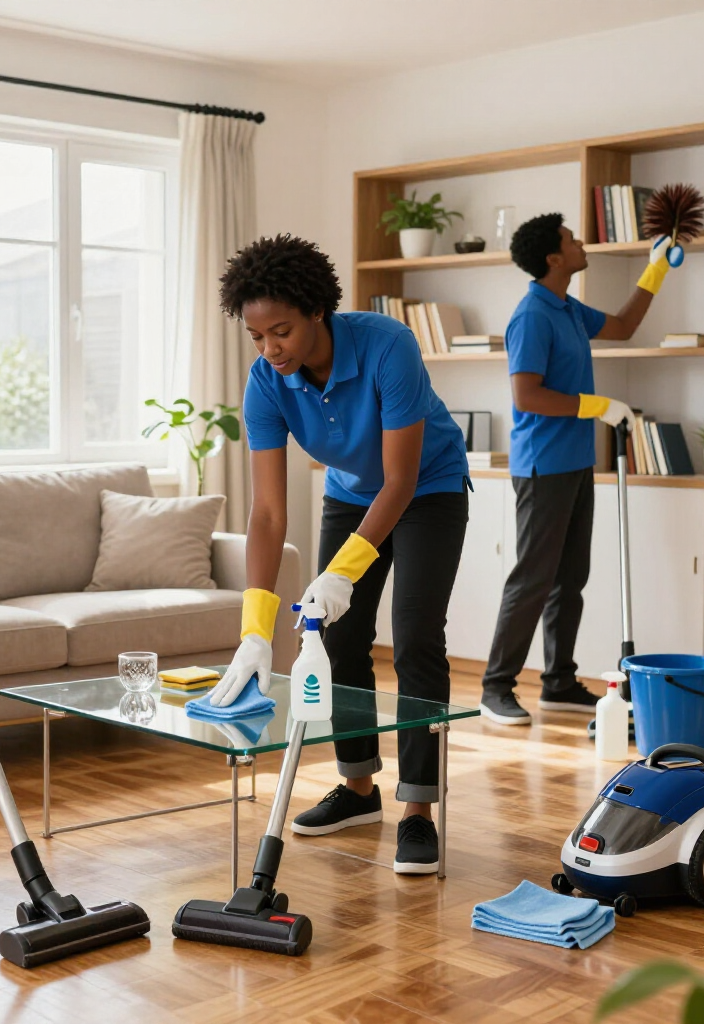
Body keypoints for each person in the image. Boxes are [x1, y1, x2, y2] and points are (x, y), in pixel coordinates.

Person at [209, 234, 470, 873]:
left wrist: (341, 572)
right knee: (337, 641)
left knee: (414, 637)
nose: (271, 350)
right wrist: (254, 630)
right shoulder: (266, 384)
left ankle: (418, 809)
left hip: (428, 489)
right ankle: (358, 789)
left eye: (282, 332)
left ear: (317, 311)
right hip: (351, 495)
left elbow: (401, 480)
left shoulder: (387, 346)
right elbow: (267, 512)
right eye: (257, 337)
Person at [479, 213, 676, 725]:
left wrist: (654, 270)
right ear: (553, 258)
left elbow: (626, 326)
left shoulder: (567, 309)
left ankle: (559, 683)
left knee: (571, 578)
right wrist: (595, 406)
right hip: (542, 466)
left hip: (576, 462)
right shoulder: (532, 316)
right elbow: (527, 395)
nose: (580, 242)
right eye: (571, 239)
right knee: (533, 579)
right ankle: (495, 687)